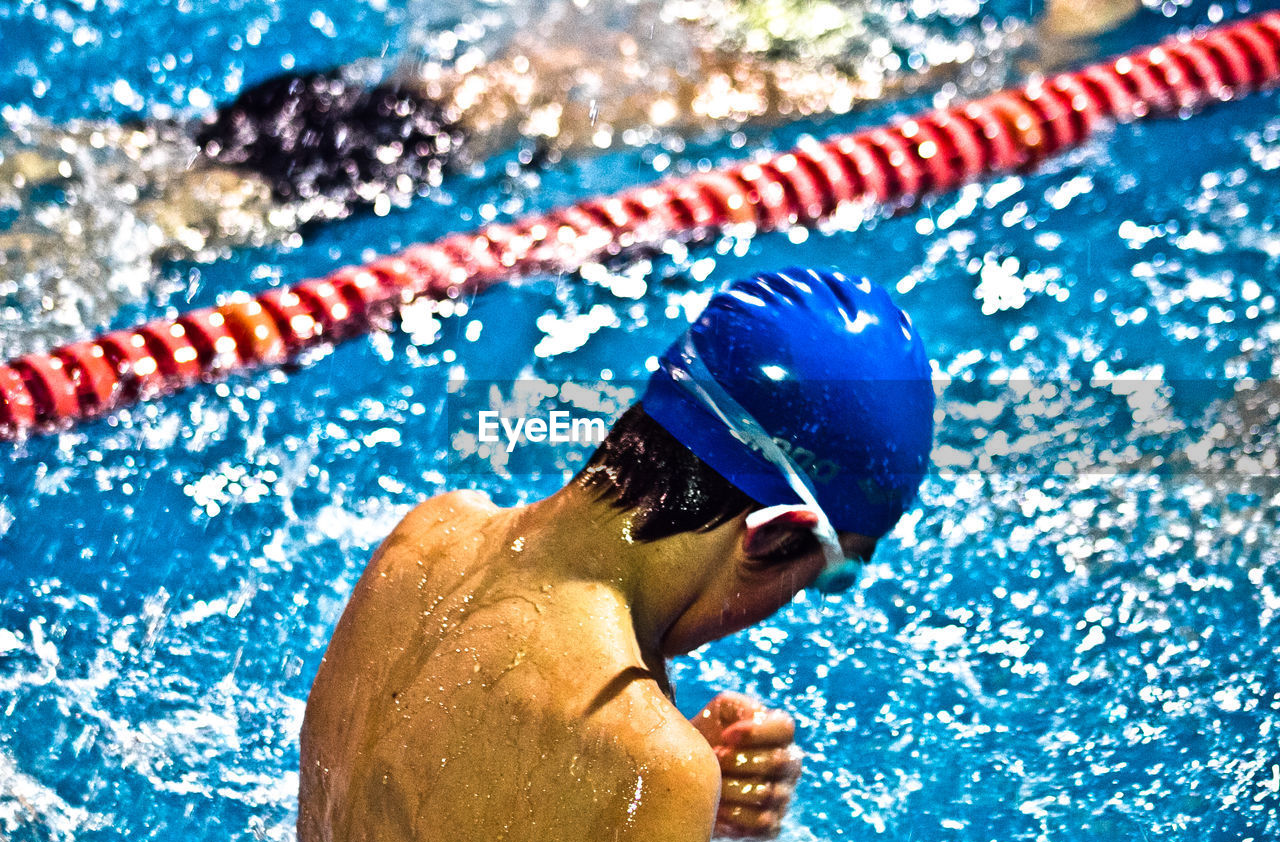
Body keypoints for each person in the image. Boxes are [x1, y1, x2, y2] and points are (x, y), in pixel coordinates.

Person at [1, 0, 1138, 360]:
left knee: (125, 152)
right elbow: (1009, 78)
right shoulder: (808, 69)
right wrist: (1045, 50)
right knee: (121, 247)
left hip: (390, 88)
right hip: (426, 139)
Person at [297, 266, 937, 842]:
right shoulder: (649, 766)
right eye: (832, 575)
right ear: (774, 535)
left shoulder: (428, 536)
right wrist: (665, 788)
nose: (791, 605)